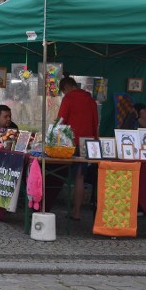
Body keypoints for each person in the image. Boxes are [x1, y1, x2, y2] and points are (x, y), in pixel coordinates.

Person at [57, 76, 98, 221]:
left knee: (58, 172)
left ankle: (66, 209)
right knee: (80, 176)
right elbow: (95, 122)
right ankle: (77, 211)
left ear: (66, 87)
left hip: (70, 141)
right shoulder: (90, 99)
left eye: (63, 91)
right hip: (88, 142)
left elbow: (60, 121)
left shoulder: (68, 99)